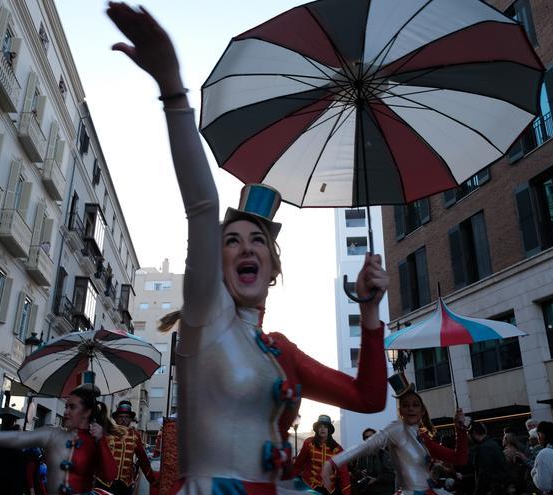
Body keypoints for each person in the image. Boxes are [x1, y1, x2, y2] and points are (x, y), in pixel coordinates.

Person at [106, 5, 388, 493]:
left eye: (257, 241)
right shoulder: (204, 320)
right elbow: (201, 205)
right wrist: (173, 90)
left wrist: (369, 312)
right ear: (215, 264)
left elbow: (367, 397)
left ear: (273, 266)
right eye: (231, 242)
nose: (244, 249)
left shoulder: (285, 352)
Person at [322, 374, 468, 495]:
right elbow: (366, 446)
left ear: (422, 411)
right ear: (401, 411)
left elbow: (460, 459)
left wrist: (460, 428)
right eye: (405, 405)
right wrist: (333, 462)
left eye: (415, 405)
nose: (410, 409)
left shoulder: (424, 439)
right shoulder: (396, 429)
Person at [0, 383, 117, 495]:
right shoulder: (52, 435)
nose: (65, 412)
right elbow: (19, 438)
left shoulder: (96, 441)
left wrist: (101, 441)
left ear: (87, 412)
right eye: (66, 406)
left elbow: (110, 476)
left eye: (72, 407)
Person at [97, 400, 157, 495]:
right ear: (116, 418)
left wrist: (152, 480)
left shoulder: (135, 435)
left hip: (126, 484)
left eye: (127, 417)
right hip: (105, 482)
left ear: (130, 419)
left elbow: (143, 460)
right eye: (121, 417)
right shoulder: (107, 432)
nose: (124, 419)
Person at [294, 415, 350, 495]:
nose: (322, 429)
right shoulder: (308, 443)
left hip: (329, 490)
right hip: (310, 487)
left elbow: (343, 473)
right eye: (320, 427)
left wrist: (346, 493)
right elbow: (298, 465)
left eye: (325, 427)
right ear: (317, 429)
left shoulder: (337, 449)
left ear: (329, 430)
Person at [349, 428, 395, 495]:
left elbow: (391, 475)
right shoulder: (362, 455)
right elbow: (356, 472)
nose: (369, 439)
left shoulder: (384, 454)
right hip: (367, 491)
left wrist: (376, 479)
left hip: (383, 492)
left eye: (372, 436)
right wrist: (360, 472)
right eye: (366, 437)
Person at [469, 422, 510, 495]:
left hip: (492, 488)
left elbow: (484, 473)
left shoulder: (484, 448)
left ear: (474, 433)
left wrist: (478, 492)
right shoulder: (493, 443)